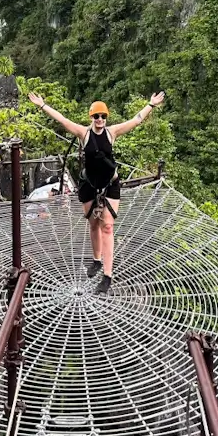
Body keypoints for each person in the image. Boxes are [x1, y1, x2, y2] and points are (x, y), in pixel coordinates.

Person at [27, 91, 166, 294]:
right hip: (90, 184)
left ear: (106, 118)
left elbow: (135, 121)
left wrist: (150, 105)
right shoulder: (83, 133)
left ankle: (107, 276)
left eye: (103, 116)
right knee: (93, 223)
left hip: (110, 184)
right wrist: (42, 105)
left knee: (107, 227)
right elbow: (62, 120)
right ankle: (96, 260)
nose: (100, 120)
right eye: (96, 116)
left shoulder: (112, 133)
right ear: (91, 117)